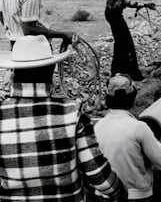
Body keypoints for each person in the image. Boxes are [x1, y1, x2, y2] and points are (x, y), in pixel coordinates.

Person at [0, 35, 127, 201]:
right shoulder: (72, 113)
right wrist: (121, 193)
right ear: (51, 69)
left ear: (13, 72)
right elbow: (100, 179)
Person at [95, 74, 161, 201]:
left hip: (106, 196)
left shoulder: (97, 127)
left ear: (107, 99)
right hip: (136, 196)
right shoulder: (139, 127)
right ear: (132, 98)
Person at [105, 0, 156, 83]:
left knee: (121, 44)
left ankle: (117, 71)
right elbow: (128, 3)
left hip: (112, 13)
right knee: (127, 44)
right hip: (114, 14)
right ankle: (133, 74)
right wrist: (145, 4)